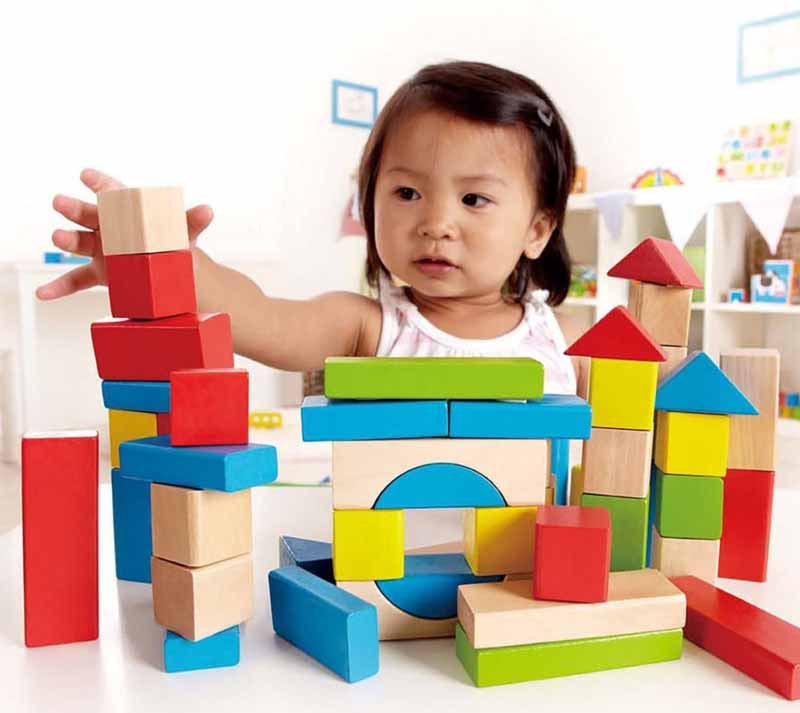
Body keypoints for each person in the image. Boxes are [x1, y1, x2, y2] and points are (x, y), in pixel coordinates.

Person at [39, 60, 588, 395]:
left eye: (473, 199)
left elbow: (624, 424)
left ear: (537, 230)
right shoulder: (367, 326)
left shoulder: (560, 341)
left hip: (529, 551)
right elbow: (261, 317)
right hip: (394, 547)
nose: (436, 223)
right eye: (407, 193)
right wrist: (160, 261)